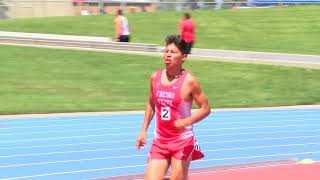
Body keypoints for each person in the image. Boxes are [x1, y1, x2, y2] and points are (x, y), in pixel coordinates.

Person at [136, 35, 211, 180]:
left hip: (182, 142)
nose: (168, 55)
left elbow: (205, 108)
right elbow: (151, 104)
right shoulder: (155, 78)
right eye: (166, 51)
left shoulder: (189, 81)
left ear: (183, 57)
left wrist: (186, 121)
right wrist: (143, 131)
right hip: (160, 142)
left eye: (173, 52)